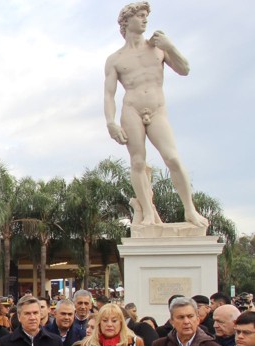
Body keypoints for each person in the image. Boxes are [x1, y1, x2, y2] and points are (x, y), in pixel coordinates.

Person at [105, 2, 207, 228]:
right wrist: (110, 123)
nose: (144, 20)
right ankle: (148, 213)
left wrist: (171, 47)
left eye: (145, 17)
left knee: (172, 158)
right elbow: (109, 95)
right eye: (140, 16)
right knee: (138, 162)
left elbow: (184, 69)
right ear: (126, 21)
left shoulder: (158, 47)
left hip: (157, 109)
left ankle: (189, 209)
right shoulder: (116, 59)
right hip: (131, 109)